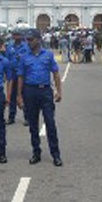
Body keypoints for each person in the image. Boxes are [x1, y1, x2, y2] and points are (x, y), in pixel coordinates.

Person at [17, 29, 63, 166]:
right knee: (33, 125)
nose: (28, 42)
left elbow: (55, 74)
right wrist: (19, 96)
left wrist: (59, 91)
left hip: (45, 92)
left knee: (50, 123)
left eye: (31, 40)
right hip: (30, 91)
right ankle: (36, 152)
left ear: (38, 40)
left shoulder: (48, 55)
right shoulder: (24, 57)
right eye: (27, 40)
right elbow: (20, 77)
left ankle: (56, 154)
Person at [5, 28, 29, 125]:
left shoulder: (26, 47)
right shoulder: (10, 47)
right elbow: (6, 60)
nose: (16, 37)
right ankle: (11, 117)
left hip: (23, 75)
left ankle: (27, 117)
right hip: (12, 74)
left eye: (18, 35)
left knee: (25, 96)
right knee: (12, 96)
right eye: (15, 35)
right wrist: (5, 73)